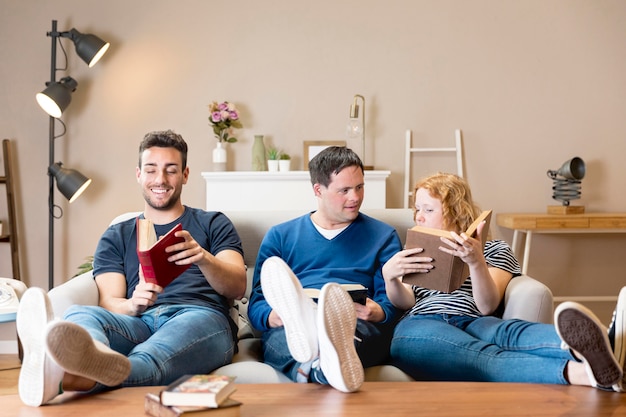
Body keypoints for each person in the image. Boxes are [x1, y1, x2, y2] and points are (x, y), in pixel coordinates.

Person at [17, 130, 247, 406]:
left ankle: (64, 377)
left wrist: (202, 257)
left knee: (150, 356)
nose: (160, 180)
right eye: (151, 170)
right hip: (139, 321)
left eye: (170, 171)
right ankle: (85, 361)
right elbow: (109, 301)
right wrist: (133, 304)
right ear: (138, 174)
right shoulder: (117, 234)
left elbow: (237, 286)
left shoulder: (213, 223)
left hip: (200, 318)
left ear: (185, 175)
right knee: (81, 313)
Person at [383, 172, 625, 391]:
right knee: (485, 357)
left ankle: (608, 344)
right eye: (417, 209)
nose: (419, 217)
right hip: (422, 325)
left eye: (428, 209)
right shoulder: (413, 250)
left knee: (513, 332)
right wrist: (391, 277)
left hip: (475, 319)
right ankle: (585, 373)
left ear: (455, 210)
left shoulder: (494, 250)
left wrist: (476, 262)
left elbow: (487, 305)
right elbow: (405, 301)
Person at [247, 146, 403, 393]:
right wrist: (272, 315)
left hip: (355, 321)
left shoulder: (383, 236)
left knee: (348, 335)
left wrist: (378, 312)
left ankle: (314, 370)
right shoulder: (280, 236)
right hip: (294, 323)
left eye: (360, 187)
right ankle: (321, 368)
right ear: (318, 190)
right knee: (287, 336)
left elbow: (393, 302)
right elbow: (256, 304)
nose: (355, 197)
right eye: (344, 190)